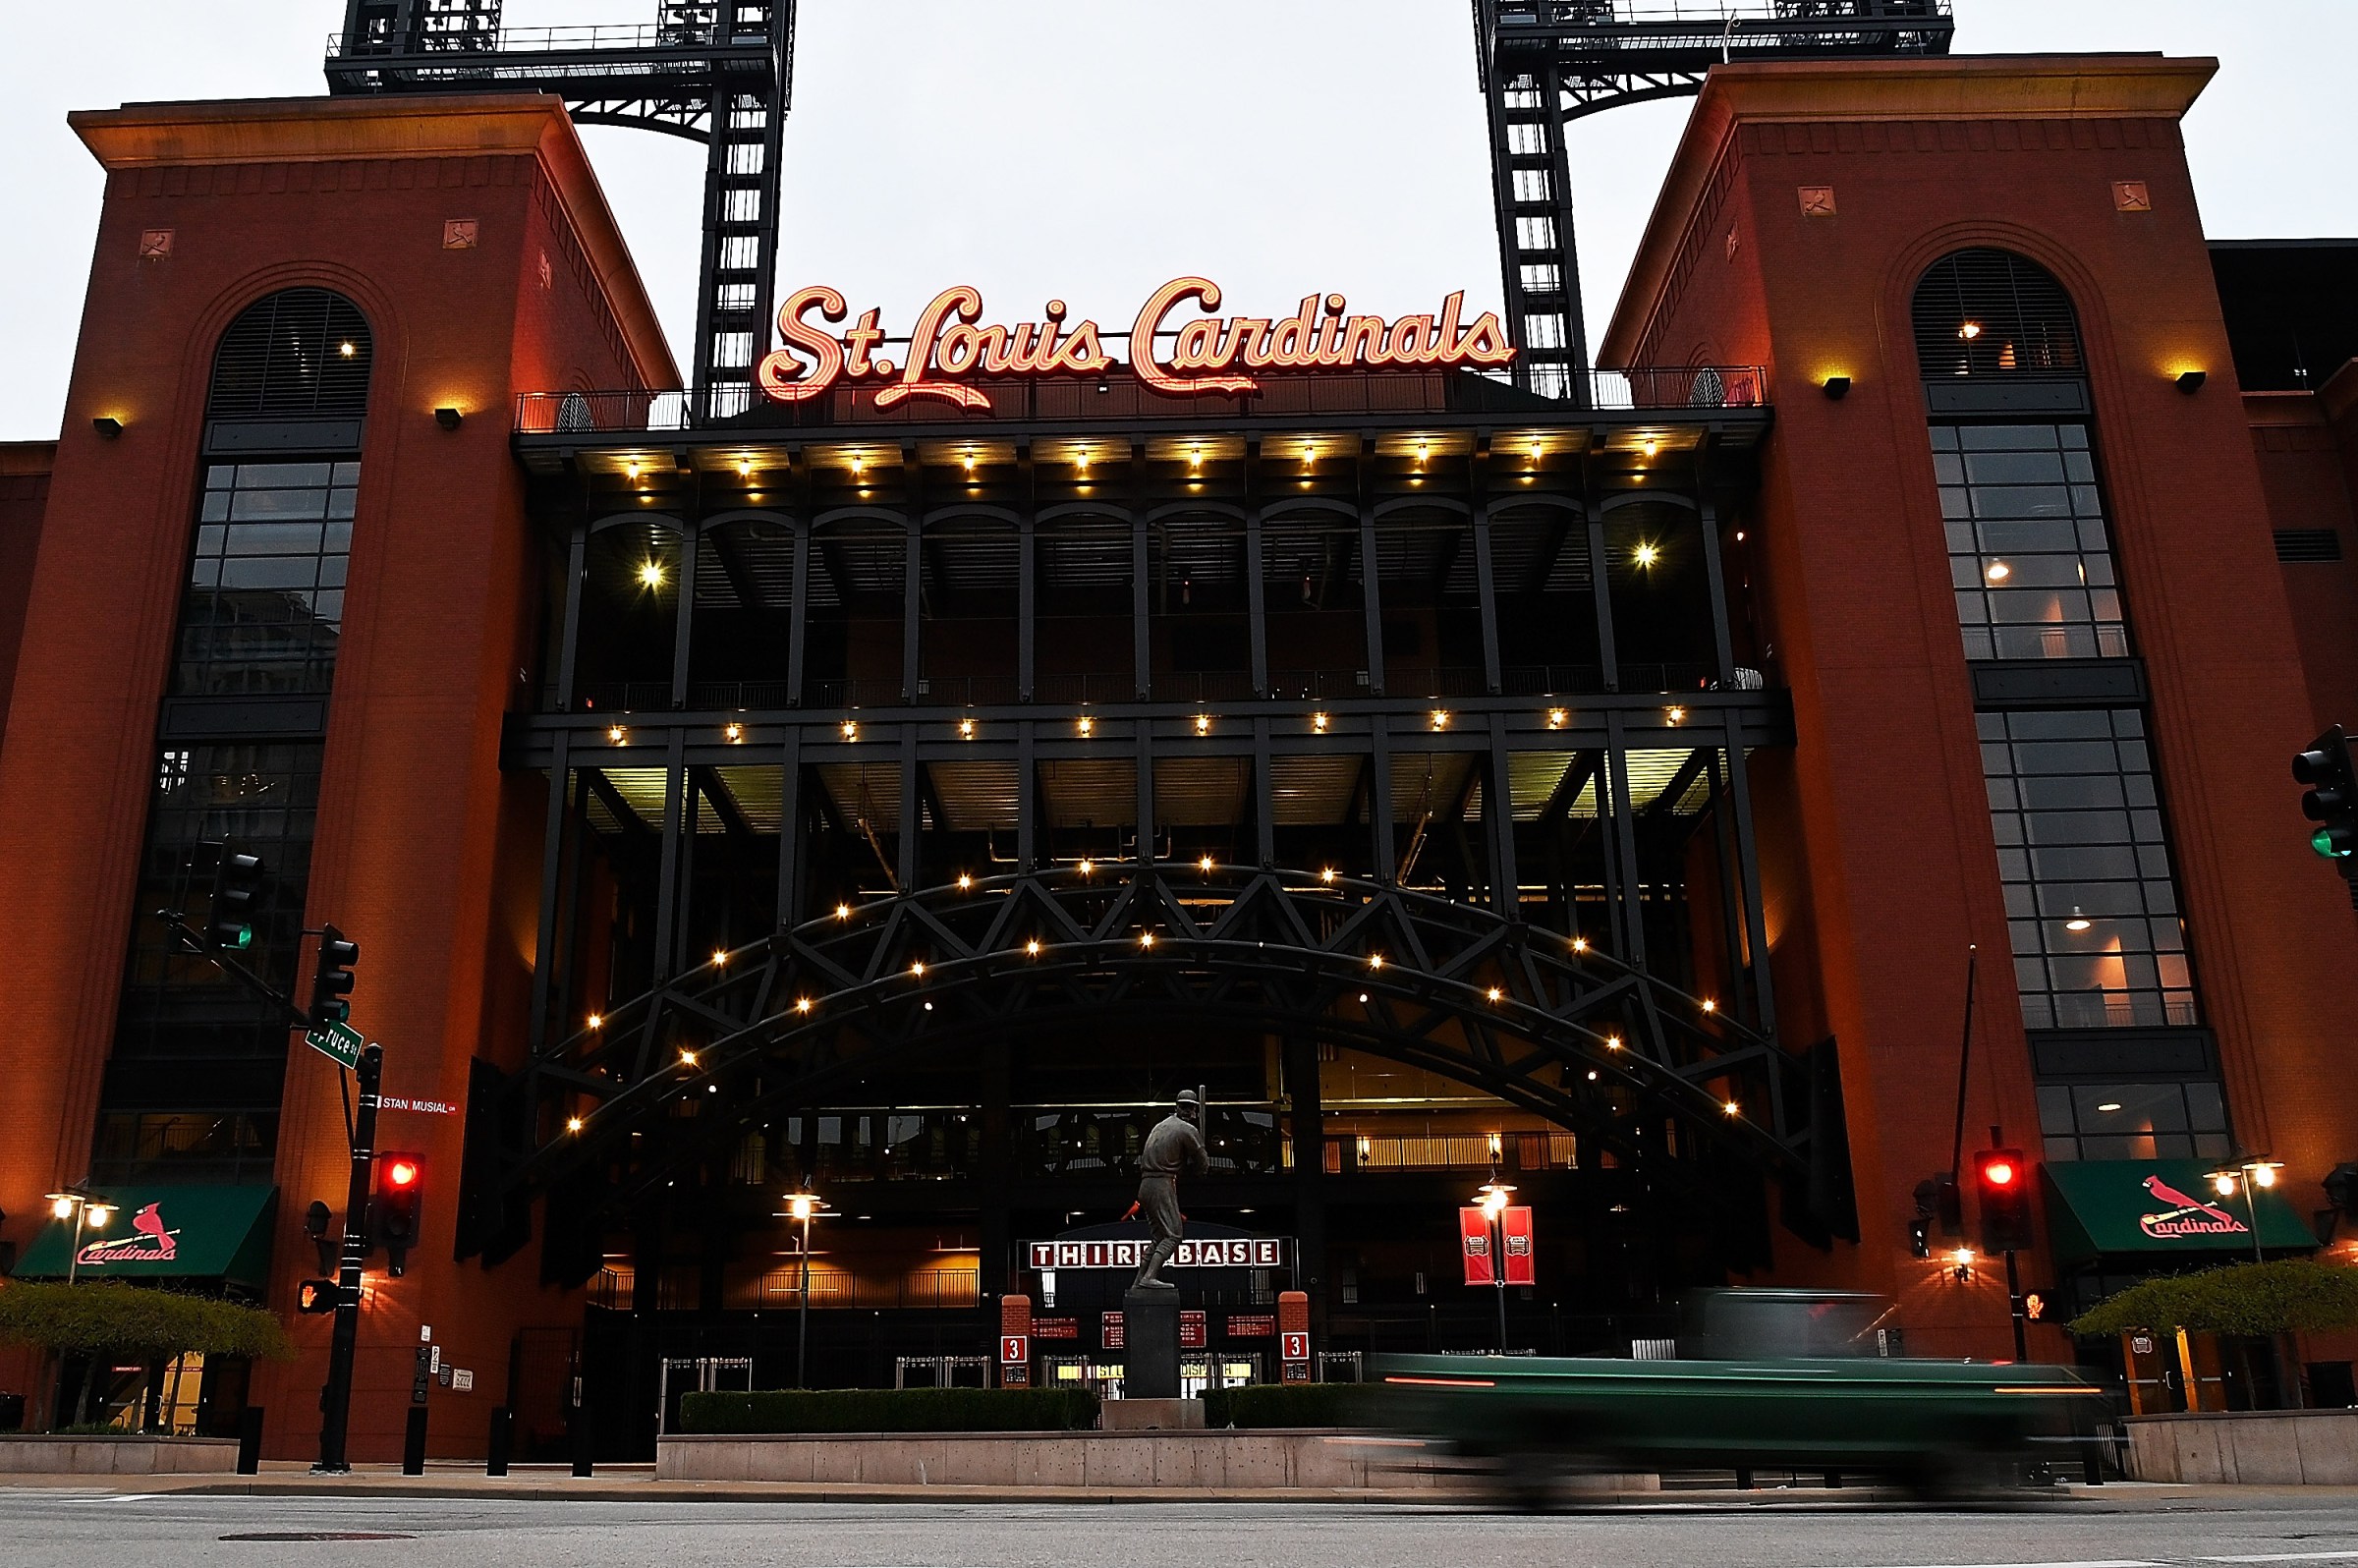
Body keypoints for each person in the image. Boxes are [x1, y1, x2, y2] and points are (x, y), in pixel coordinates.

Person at [1131, 1090, 1208, 1290]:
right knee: (1173, 1235)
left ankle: (1138, 1282)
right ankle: (1149, 1277)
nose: (1188, 1111)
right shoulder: (1186, 1129)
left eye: (1188, 1107)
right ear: (1188, 1109)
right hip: (1160, 1184)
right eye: (1187, 1107)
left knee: (1158, 1237)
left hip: (1145, 1185)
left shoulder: (1160, 1126)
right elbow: (1202, 1159)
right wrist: (1201, 1172)